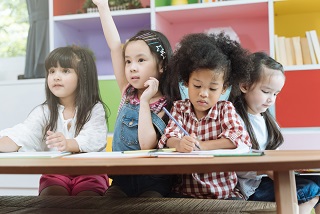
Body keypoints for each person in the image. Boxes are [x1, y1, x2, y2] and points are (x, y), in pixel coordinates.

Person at [93, 0, 181, 197]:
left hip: (154, 181)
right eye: (128, 61)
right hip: (121, 179)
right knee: (107, 204)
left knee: (149, 205)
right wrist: (102, 6)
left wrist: (144, 102)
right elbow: (116, 47)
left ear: (161, 66)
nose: (132, 67)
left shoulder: (169, 104)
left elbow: (147, 145)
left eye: (141, 60)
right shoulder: (127, 91)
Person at [0, 45, 109, 196]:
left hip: (90, 172)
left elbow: (94, 139)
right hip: (55, 173)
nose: (56, 76)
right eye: (52, 71)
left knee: (87, 197)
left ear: (83, 76)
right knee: (52, 197)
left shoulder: (94, 109)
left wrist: (68, 143)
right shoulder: (44, 111)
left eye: (65, 71)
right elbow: (24, 134)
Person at [158, 32, 252, 199]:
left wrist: (202, 146)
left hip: (224, 194)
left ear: (224, 88)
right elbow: (168, 137)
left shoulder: (225, 109)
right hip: (184, 194)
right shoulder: (180, 108)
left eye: (212, 88)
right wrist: (179, 144)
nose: (203, 93)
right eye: (197, 85)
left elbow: (239, 138)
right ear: (186, 82)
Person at [228, 51, 320, 214]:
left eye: (276, 94)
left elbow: (275, 154)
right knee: (311, 189)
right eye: (266, 91)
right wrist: (265, 169)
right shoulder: (234, 120)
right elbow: (235, 165)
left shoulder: (269, 121)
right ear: (244, 86)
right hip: (253, 188)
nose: (271, 99)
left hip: (272, 179)